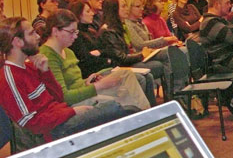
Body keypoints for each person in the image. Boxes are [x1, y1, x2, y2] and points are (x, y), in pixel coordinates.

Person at [0, 17, 134, 142]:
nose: (38, 36)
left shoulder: (31, 66)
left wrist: (45, 71)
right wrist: (72, 112)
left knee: (127, 109)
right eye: (31, 33)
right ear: (18, 42)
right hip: (53, 131)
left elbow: (58, 97)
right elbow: (30, 124)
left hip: (61, 116)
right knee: (114, 108)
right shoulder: (9, 77)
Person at [39, 9, 151, 109]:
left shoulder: (68, 51)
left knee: (125, 75)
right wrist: (98, 86)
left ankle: (145, 115)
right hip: (75, 102)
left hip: (86, 91)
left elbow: (75, 82)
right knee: (120, 98)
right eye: (71, 32)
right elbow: (64, 97)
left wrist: (87, 81)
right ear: (55, 31)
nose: (75, 36)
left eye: (76, 32)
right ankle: (146, 118)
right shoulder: (48, 56)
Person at [99, 0, 163, 99]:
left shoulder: (119, 27)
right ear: (114, 9)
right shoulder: (108, 31)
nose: (127, 9)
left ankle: (166, 99)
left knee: (154, 69)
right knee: (153, 70)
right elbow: (121, 58)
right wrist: (142, 55)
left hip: (127, 62)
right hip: (117, 67)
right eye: (123, 6)